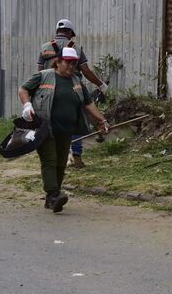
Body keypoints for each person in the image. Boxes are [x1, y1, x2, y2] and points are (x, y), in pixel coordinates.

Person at [20, 47, 110, 213]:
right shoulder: (44, 76)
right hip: (45, 128)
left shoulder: (77, 81)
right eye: (67, 63)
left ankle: (51, 199)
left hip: (66, 130)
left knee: (61, 164)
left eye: (73, 63)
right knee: (50, 161)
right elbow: (23, 89)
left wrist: (102, 120)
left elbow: (89, 104)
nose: (71, 66)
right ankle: (54, 194)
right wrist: (27, 105)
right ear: (58, 62)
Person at [38, 19, 108, 169]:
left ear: (57, 32)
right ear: (70, 32)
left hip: (48, 91)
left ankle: (54, 157)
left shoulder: (44, 48)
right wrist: (100, 84)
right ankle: (76, 157)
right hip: (72, 89)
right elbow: (86, 71)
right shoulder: (75, 48)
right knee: (75, 122)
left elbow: (39, 72)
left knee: (52, 124)